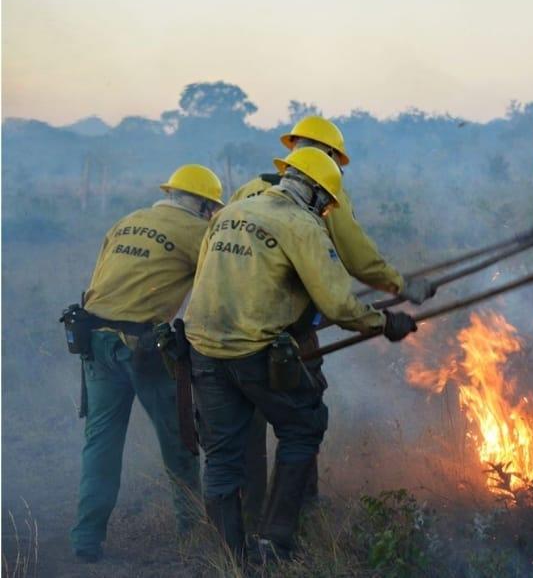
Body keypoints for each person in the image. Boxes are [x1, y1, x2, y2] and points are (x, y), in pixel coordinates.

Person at [184, 147, 418, 559]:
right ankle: (275, 542)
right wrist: (385, 323)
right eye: (326, 205)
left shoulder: (229, 213)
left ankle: (231, 559)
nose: (327, 212)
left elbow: (207, 276)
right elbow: (339, 305)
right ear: (313, 193)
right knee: (303, 427)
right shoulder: (301, 223)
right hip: (255, 351)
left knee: (221, 456)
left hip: (201, 349)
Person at [230, 116, 435, 531]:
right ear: (325, 157)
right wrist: (400, 285)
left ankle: (248, 522)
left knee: (244, 429)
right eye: (335, 162)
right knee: (303, 419)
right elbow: (357, 256)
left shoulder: (248, 189)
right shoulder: (319, 194)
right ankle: (298, 514)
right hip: (284, 334)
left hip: (229, 333)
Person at [68, 165, 224, 562]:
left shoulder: (128, 221)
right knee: (180, 443)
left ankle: (86, 540)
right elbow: (217, 291)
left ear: (171, 194)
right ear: (205, 205)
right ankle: (192, 540)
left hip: (94, 340)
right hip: (144, 349)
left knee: (100, 444)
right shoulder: (200, 232)